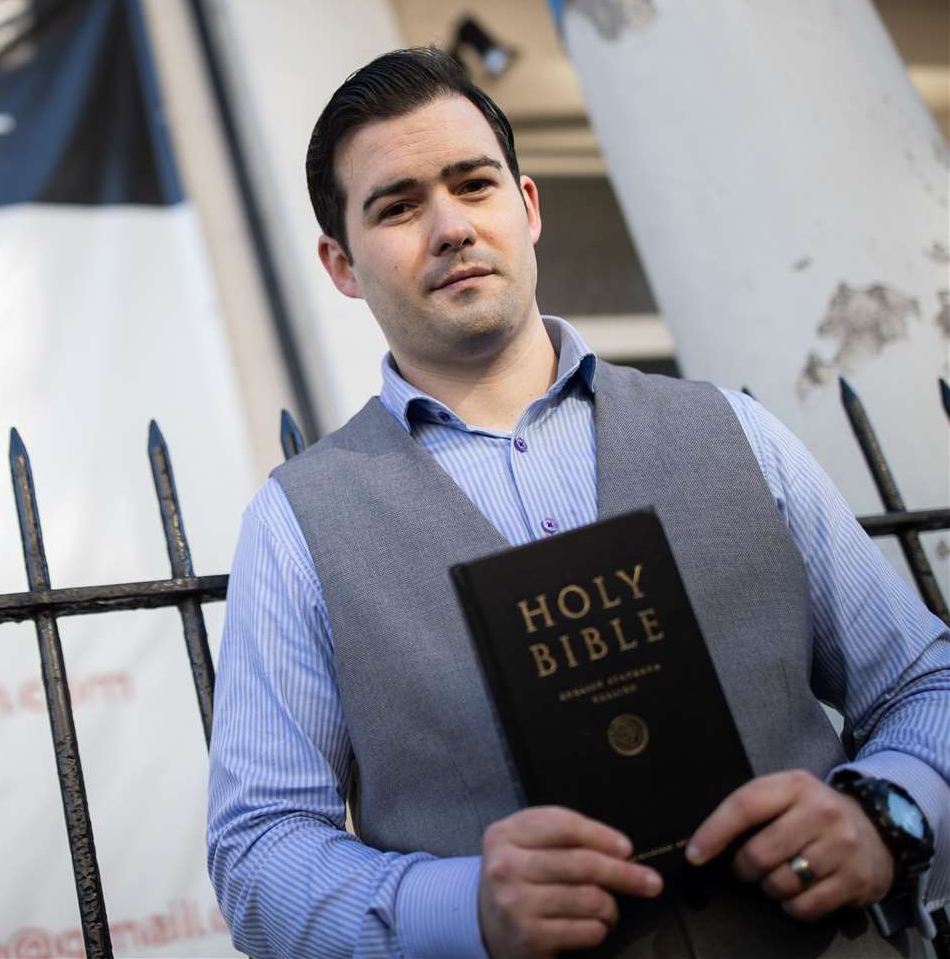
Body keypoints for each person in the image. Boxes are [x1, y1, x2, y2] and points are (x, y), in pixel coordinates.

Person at [205, 47, 949, 958]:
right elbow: (257, 851)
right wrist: (461, 905)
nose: (449, 228)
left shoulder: (734, 430)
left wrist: (889, 813)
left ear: (527, 207)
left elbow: (925, 683)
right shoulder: (296, 525)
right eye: (397, 207)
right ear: (341, 264)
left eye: (474, 185)